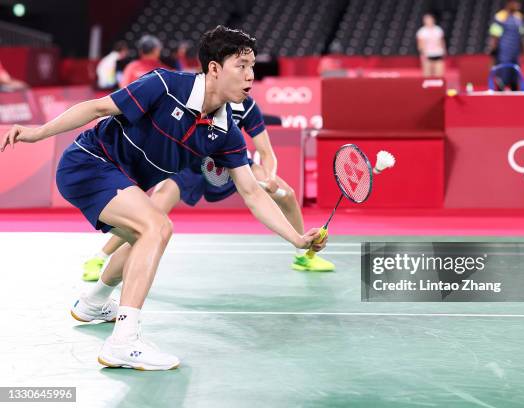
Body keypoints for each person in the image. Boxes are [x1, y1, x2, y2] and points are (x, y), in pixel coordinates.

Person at [0, 26, 326, 371]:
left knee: (150, 232)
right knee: (155, 226)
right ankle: (123, 342)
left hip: (120, 180)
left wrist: (296, 239)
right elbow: (98, 108)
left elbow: (252, 193)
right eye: (241, 66)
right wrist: (37, 133)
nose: (250, 76)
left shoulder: (226, 129)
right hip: (89, 163)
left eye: (252, 67)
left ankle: (92, 303)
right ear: (214, 68)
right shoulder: (166, 85)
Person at [81, 95, 335, 282]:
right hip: (190, 164)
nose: (247, 76)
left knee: (286, 194)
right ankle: (100, 257)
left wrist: (269, 176)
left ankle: (303, 256)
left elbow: (266, 152)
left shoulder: (247, 106)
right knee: (154, 210)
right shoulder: (195, 97)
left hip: (233, 164)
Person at [486, 0, 524, 91]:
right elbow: (494, 37)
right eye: (516, 2)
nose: (518, 4)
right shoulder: (500, 17)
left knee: (515, 81)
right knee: (502, 81)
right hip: (503, 54)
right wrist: (492, 54)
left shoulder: (519, 17)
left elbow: (522, 37)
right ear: (509, 3)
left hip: (515, 54)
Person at [416, 14, 446, 78]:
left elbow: (441, 41)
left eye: (430, 19)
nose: (428, 21)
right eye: (427, 20)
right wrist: (422, 54)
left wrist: (444, 50)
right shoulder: (422, 31)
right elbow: (420, 44)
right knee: (427, 74)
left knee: (439, 73)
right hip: (427, 54)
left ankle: (439, 87)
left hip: (438, 53)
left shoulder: (438, 29)